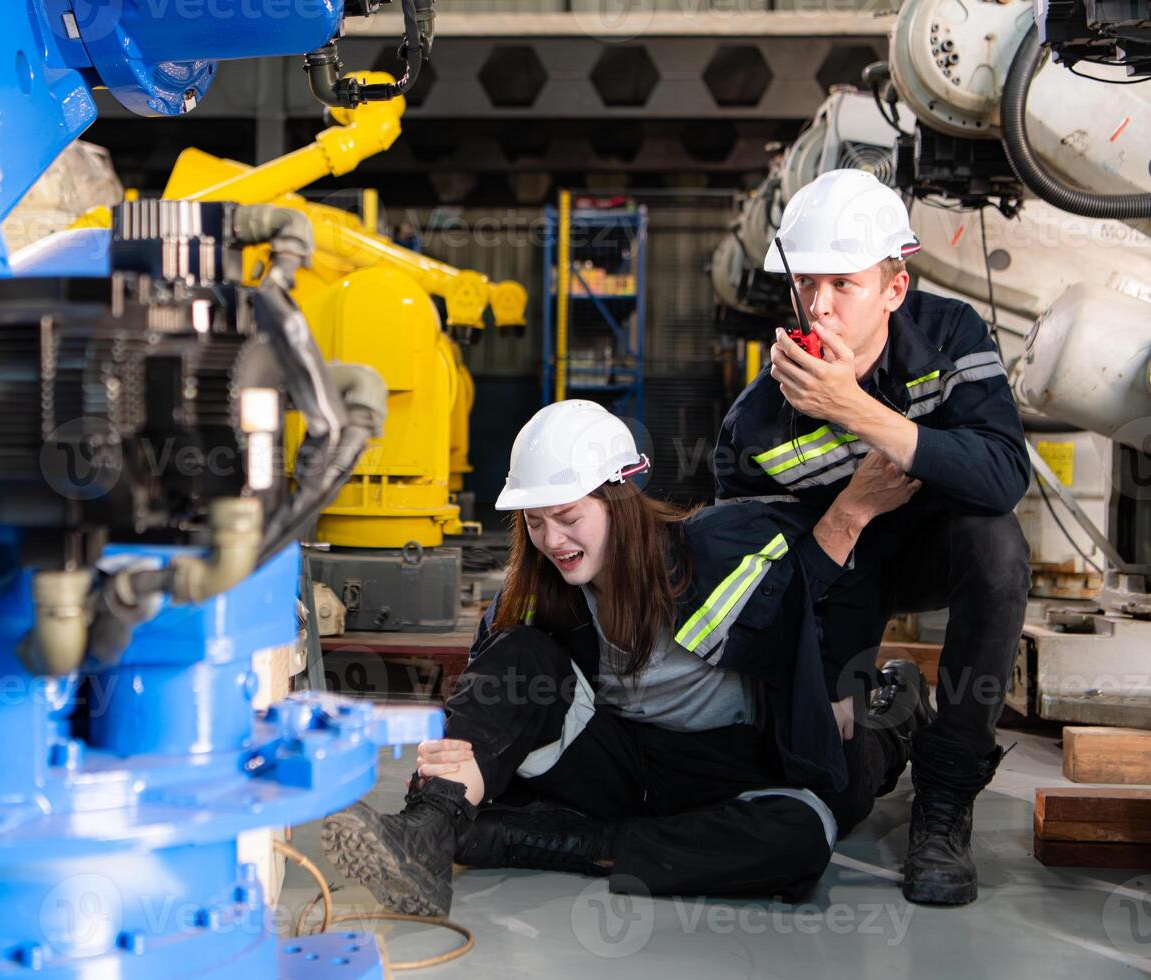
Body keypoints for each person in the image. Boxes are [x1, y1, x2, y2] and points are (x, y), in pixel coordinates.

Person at [321, 399, 929, 917]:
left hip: (736, 767)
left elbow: (820, 579)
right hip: (621, 760)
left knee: (809, 830)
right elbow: (493, 687)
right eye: (535, 522)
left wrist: (837, 676)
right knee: (519, 653)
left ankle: (899, 707)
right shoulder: (538, 589)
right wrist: (460, 756)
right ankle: (425, 836)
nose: (553, 540)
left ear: (620, 500)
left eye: (568, 517)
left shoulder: (712, 551)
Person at [712, 168, 1032, 906]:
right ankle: (895, 714)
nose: (818, 309)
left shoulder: (950, 337)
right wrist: (819, 681)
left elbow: (1003, 474)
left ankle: (946, 798)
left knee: (998, 548)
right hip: (837, 581)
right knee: (832, 792)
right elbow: (752, 583)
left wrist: (857, 412)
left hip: (931, 551)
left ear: (894, 287)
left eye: (843, 285)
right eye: (806, 286)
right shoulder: (755, 423)